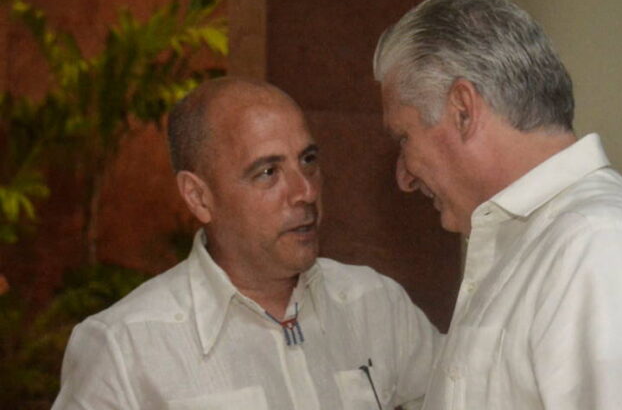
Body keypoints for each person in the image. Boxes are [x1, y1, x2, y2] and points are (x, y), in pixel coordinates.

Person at [373, 0, 622, 410]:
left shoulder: (606, 247)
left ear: (462, 110)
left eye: (404, 137)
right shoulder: (535, 244)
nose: (404, 177)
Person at [52, 77, 440, 410]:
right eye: (268, 172)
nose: (305, 191)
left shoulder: (374, 305)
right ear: (199, 197)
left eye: (308, 161)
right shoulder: (126, 347)